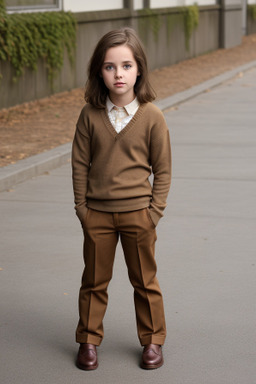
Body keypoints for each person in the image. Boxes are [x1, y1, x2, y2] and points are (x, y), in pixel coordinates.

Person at [72, 27, 171, 371]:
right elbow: (79, 164)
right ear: (99, 71)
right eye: (110, 66)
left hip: (138, 215)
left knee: (145, 281)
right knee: (94, 281)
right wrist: (82, 209)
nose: (119, 74)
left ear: (139, 69)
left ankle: (153, 340)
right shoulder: (89, 115)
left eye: (126, 65)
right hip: (96, 213)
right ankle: (88, 339)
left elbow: (163, 169)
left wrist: (153, 213)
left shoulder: (152, 116)